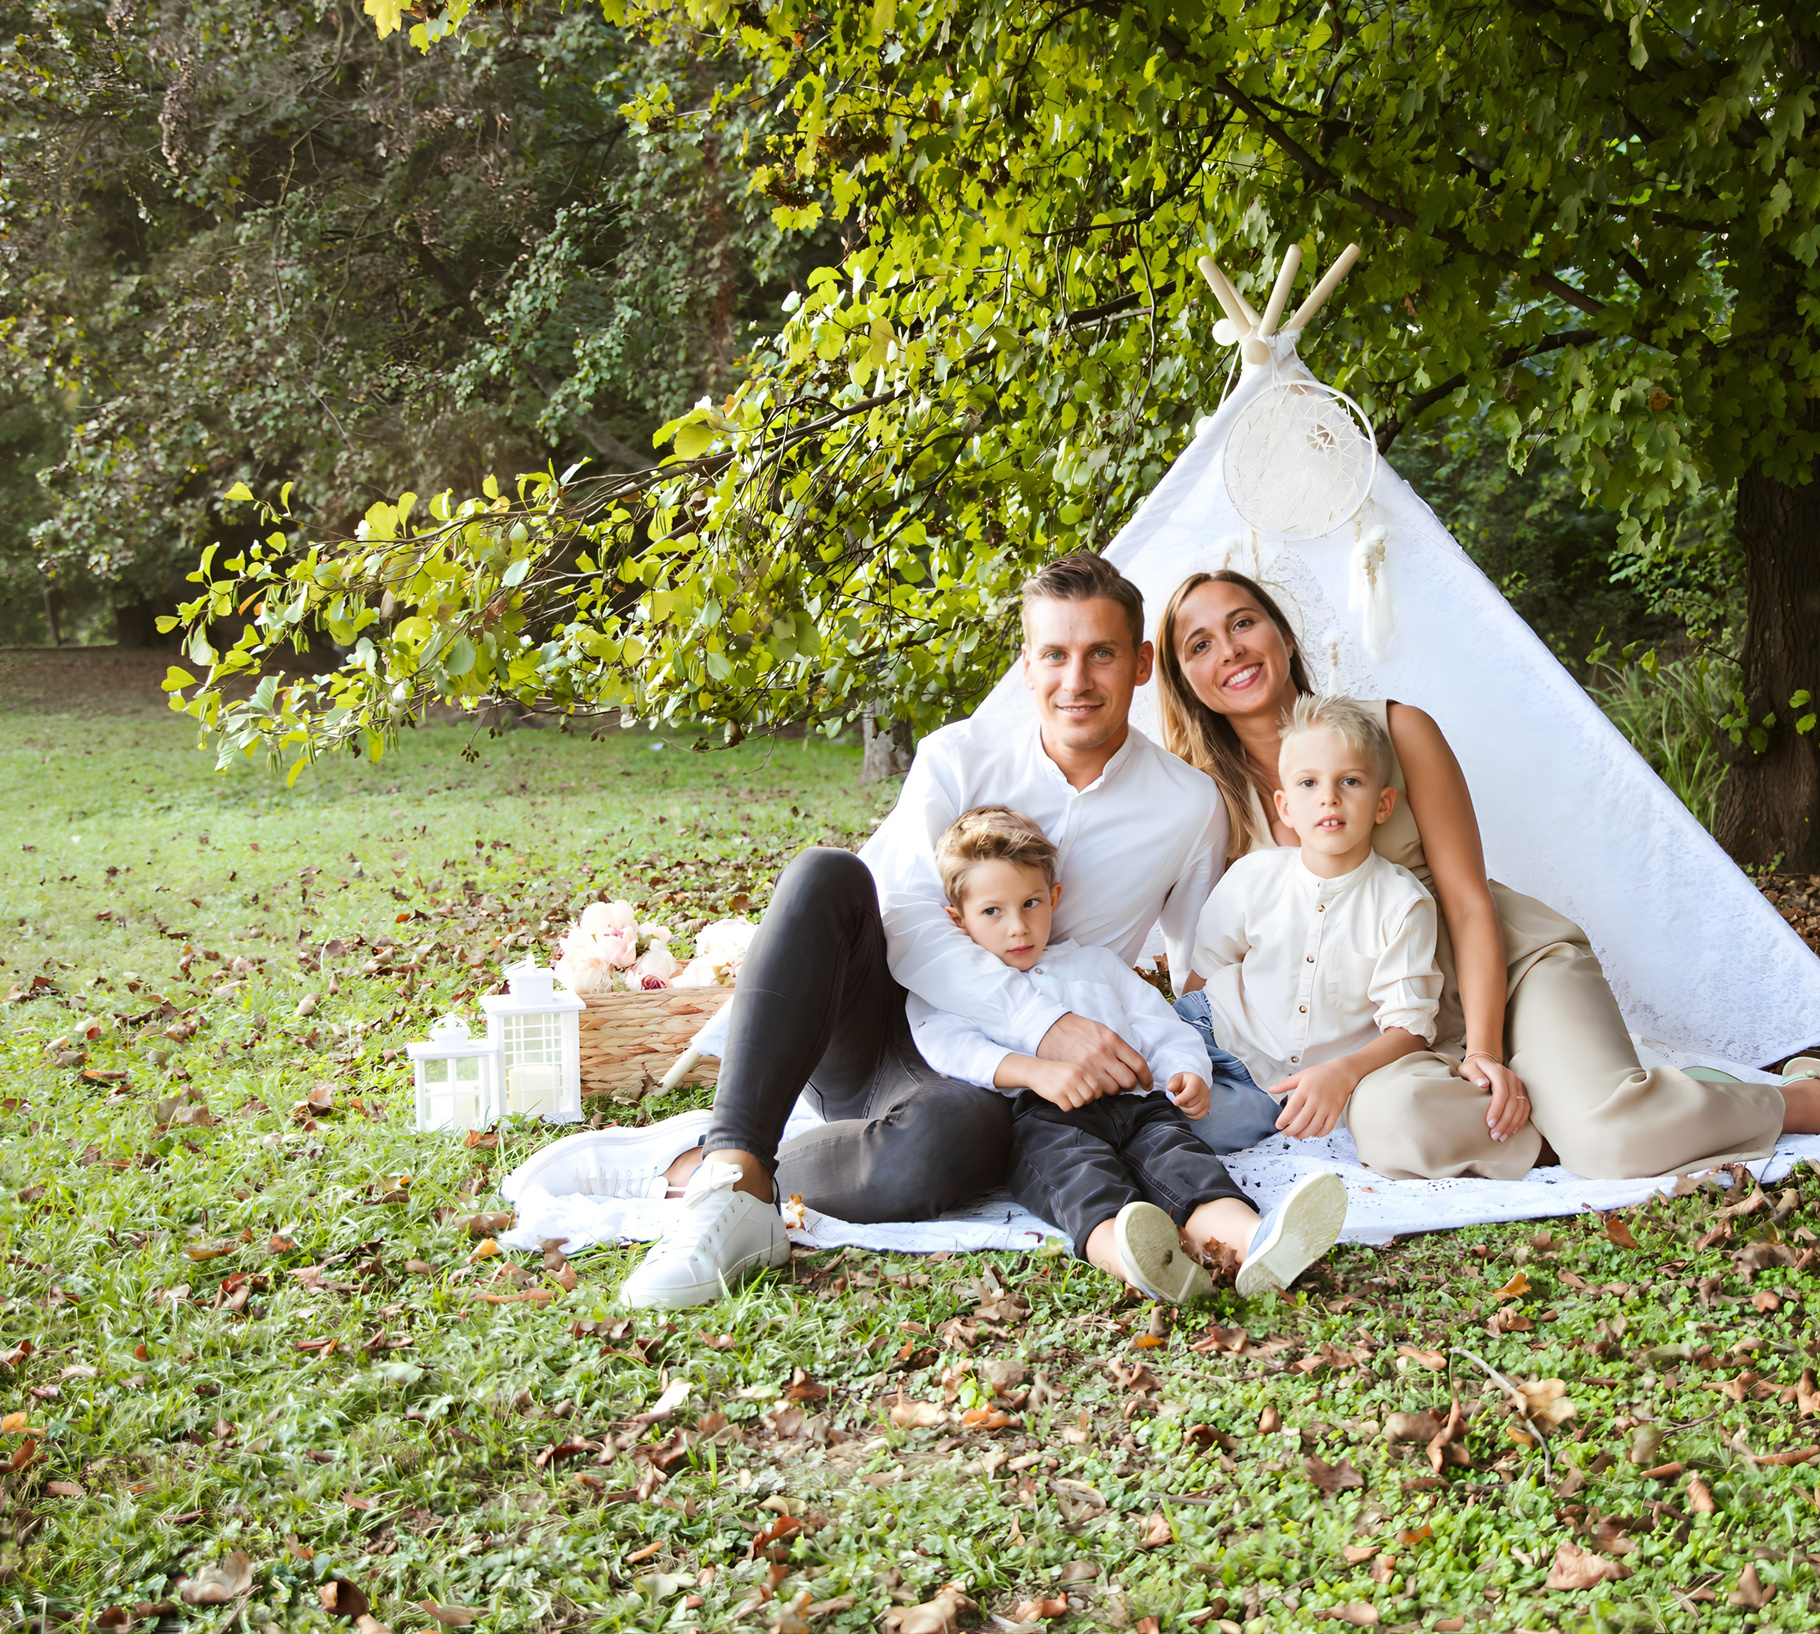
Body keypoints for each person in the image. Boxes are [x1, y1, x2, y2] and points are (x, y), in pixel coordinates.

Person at [519, 552, 1228, 1309]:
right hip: (880, 1024)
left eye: (1101, 654)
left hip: (1000, 1084)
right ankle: (734, 1167)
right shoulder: (960, 756)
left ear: (1143, 663)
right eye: (1054, 654)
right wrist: (1045, 1021)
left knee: (959, 1141)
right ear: (1026, 665)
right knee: (829, 872)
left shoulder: (1187, 805)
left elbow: (1200, 968)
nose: (1076, 680)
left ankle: (702, 1166)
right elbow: (911, 919)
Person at [1156, 569, 1820, 1181]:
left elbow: (1467, 902)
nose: (1228, 651)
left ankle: (1806, 1097)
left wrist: (1491, 1051)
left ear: (1282, 636)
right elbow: (1218, 957)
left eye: (1242, 623)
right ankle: (1582, 1113)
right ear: (1185, 679)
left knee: (1614, 1142)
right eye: (1199, 644)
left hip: (1505, 965)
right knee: (1394, 1131)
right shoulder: (1203, 804)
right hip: (1399, 1027)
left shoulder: (1397, 729)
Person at [915, 805, 1346, 1301]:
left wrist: (1185, 1071)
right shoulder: (959, 984)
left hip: (1140, 1104)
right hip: (1045, 1120)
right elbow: (944, 1042)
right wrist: (1034, 1073)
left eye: (1030, 903)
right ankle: (1137, 1262)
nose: (1018, 927)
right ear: (957, 918)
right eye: (992, 911)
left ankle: (1256, 1244)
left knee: (1185, 1163)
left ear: (1053, 897)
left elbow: (1160, 1026)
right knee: (1082, 1183)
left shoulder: (1095, 964)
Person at [1184, 696, 1542, 1174]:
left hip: (1278, 1087)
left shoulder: (1403, 904)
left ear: (1383, 804)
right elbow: (1203, 974)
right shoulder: (1254, 877)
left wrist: (1344, 1072)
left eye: (1349, 781)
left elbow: (1411, 1027)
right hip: (1219, 1034)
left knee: (1217, 1125)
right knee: (1163, 1087)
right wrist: (1179, 1052)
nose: (1328, 798)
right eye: (1309, 784)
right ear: (1285, 807)